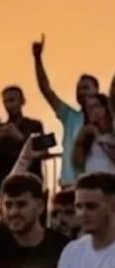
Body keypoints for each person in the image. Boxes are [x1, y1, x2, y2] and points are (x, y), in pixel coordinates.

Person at [32, 35, 102, 186]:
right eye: (78, 89)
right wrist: (37, 59)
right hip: (69, 185)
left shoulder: (108, 119)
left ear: (97, 90)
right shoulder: (70, 117)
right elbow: (46, 90)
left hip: (97, 186)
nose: (81, 92)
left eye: (86, 87)